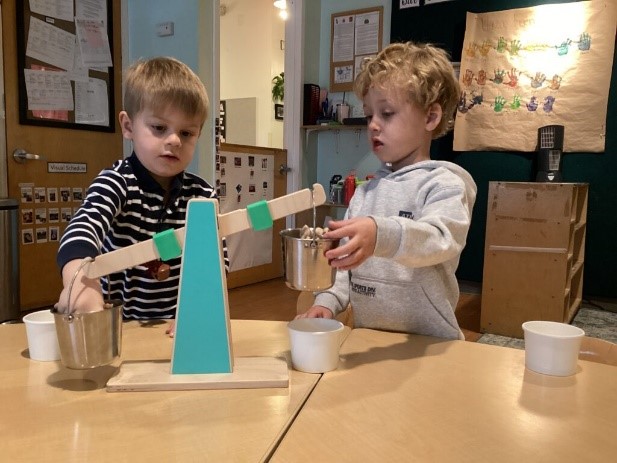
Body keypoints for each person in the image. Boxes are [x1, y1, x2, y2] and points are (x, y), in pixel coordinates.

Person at [298, 42, 477, 340]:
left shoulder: (444, 184)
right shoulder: (366, 193)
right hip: (371, 341)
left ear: (430, 118)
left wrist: (382, 235)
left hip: (430, 345)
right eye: (369, 115)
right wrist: (327, 303)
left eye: (388, 113)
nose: (373, 126)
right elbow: (344, 269)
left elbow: (441, 239)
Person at [56, 56, 227, 335]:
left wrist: (197, 307)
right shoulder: (116, 183)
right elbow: (82, 229)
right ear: (128, 127)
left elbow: (217, 261)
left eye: (186, 133)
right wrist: (79, 283)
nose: (174, 141)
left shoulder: (202, 195)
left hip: (180, 326)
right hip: (118, 327)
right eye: (159, 128)